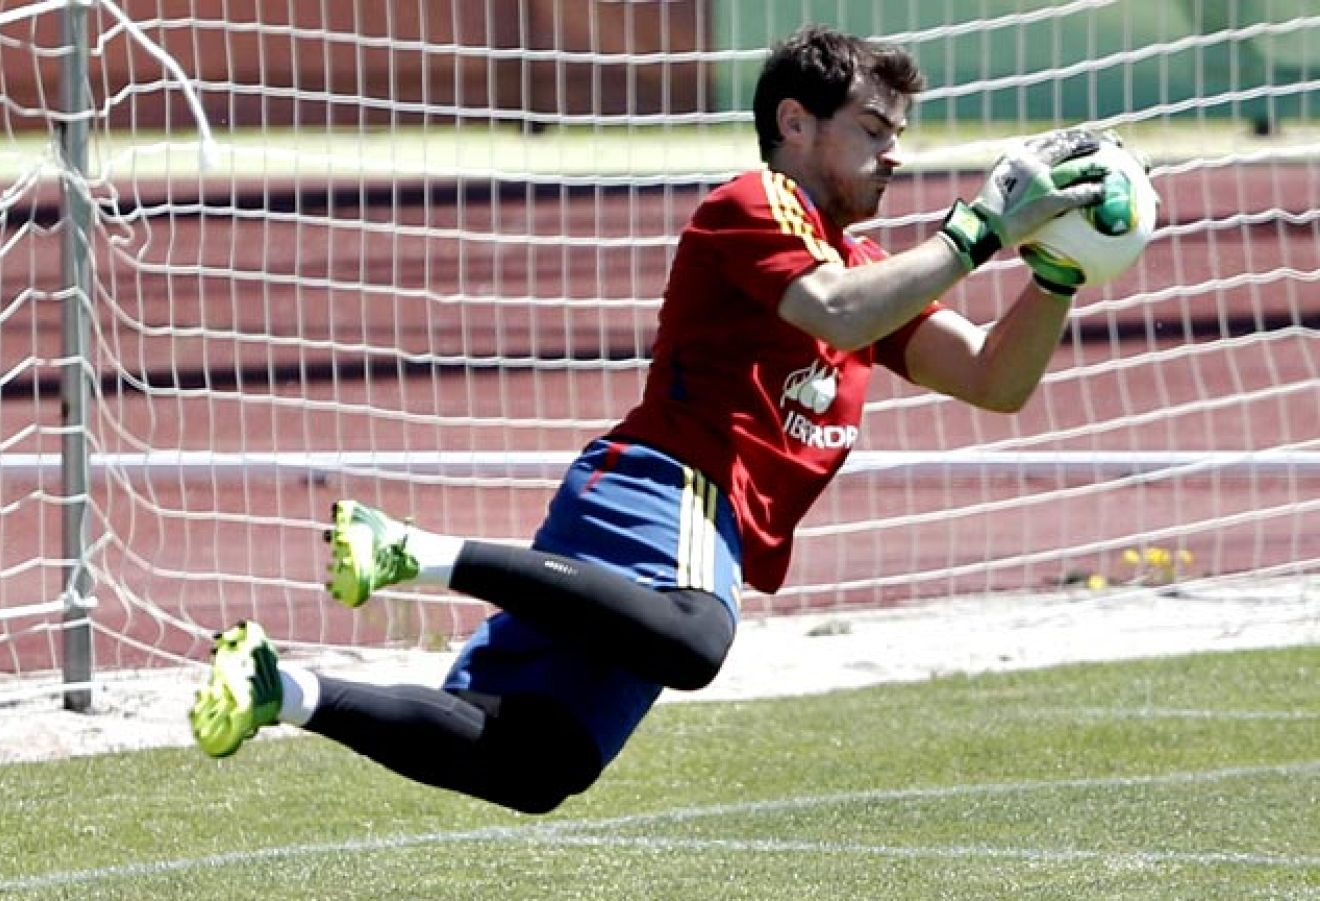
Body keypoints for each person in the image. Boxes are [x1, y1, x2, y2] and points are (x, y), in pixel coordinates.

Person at [189, 24, 1123, 814]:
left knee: (534, 762)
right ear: (794, 124)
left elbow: (994, 379)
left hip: (677, 531)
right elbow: (836, 308)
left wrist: (1057, 271)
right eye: (874, 129)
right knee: (696, 637)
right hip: (663, 481)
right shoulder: (753, 204)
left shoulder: (869, 265)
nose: (896, 154)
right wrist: (979, 228)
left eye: (900, 135)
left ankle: (284, 689)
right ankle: (414, 554)